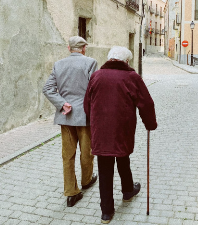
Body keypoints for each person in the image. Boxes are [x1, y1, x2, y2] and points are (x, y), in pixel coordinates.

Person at [84, 46, 157, 224]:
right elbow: (146, 103)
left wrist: (92, 121)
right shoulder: (131, 76)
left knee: (104, 167)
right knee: (123, 157)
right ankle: (127, 191)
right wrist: (150, 124)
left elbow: (87, 103)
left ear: (110, 59)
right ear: (126, 61)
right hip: (122, 127)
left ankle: (107, 212)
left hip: (100, 130)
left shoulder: (96, 76)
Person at [43, 36, 98, 207]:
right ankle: (86, 180)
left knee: (67, 155)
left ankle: (71, 193)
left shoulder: (59, 64)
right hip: (85, 116)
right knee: (86, 151)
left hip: (66, 116)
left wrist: (62, 103)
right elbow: (94, 89)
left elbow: (47, 89)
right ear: (84, 48)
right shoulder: (91, 62)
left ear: (68, 48)